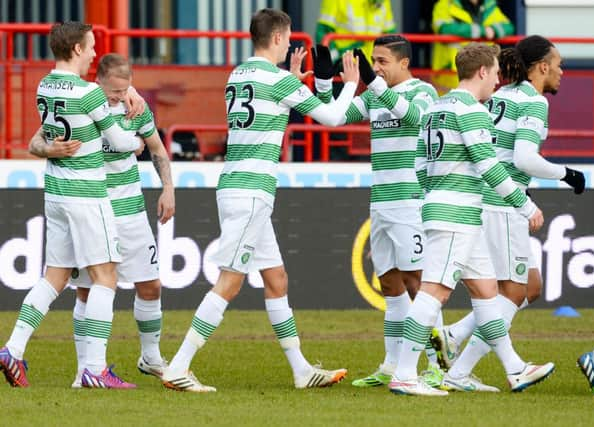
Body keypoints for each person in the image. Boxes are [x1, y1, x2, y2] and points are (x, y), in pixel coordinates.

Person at [160, 8, 360, 393]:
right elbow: (334, 118)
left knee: (276, 278)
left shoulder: (239, 74)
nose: (290, 45)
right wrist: (349, 84)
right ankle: (178, 366)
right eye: (287, 38)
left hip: (237, 183)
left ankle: (301, 369)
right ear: (279, 39)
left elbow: (267, 104)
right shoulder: (277, 80)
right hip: (252, 189)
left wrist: (292, 79)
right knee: (230, 284)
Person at [387, 42, 553, 396]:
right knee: (434, 293)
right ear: (481, 72)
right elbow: (489, 165)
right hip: (456, 214)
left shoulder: (436, 107)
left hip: (454, 210)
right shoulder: (472, 111)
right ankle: (403, 373)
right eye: (494, 72)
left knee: (487, 291)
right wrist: (526, 206)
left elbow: (418, 165)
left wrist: (436, 192)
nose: (498, 79)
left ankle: (514, 369)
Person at [432, 35, 585, 391]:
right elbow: (523, 158)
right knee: (513, 291)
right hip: (503, 203)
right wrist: (568, 174)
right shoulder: (533, 101)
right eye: (558, 64)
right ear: (542, 67)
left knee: (529, 287)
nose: (562, 71)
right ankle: (466, 367)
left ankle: (455, 337)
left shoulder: (501, 96)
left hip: (487, 199)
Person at [0, 22, 143, 389]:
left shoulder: (45, 86)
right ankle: (93, 369)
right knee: (106, 276)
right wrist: (135, 133)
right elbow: (121, 142)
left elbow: (42, 138)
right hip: (87, 193)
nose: (95, 53)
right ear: (77, 49)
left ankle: (12, 350)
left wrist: (49, 149)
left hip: (56, 192)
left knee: (56, 275)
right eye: (91, 46)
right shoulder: (88, 93)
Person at [29, 52, 175, 388]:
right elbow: (37, 139)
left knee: (151, 286)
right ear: (98, 83)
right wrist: (51, 149)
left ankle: (150, 357)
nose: (120, 98)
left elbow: (156, 149)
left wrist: (168, 189)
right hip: (93, 209)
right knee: (85, 292)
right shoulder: (84, 104)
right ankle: (86, 370)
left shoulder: (135, 108)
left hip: (132, 212)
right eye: (114, 92)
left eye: (125, 91)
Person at [310, 36, 445, 388]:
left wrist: (375, 84)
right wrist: (324, 84)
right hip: (382, 201)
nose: (377, 66)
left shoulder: (423, 92)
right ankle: (390, 364)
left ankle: (437, 365)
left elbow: (415, 119)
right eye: (374, 60)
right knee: (390, 284)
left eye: (383, 61)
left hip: (411, 200)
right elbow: (334, 119)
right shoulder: (375, 94)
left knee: (419, 283)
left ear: (404, 63)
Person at [431, 0, 514, 92]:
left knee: (483, 104)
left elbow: (509, 27)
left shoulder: (489, 5)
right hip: (453, 71)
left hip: (484, 70)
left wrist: (494, 30)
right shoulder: (445, 4)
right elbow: (444, 28)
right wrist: (482, 31)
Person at [316, 0, 396, 64]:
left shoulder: (383, 1)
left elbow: (390, 33)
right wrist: (334, 58)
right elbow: (323, 31)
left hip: (374, 64)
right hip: (346, 62)